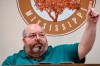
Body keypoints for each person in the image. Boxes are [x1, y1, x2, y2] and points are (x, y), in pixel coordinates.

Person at [2, 1, 99, 65]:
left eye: (41, 35)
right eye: (32, 35)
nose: (38, 38)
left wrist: (91, 24)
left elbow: (84, 47)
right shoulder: (12, 61)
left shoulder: (63, 51)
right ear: (24, 40)